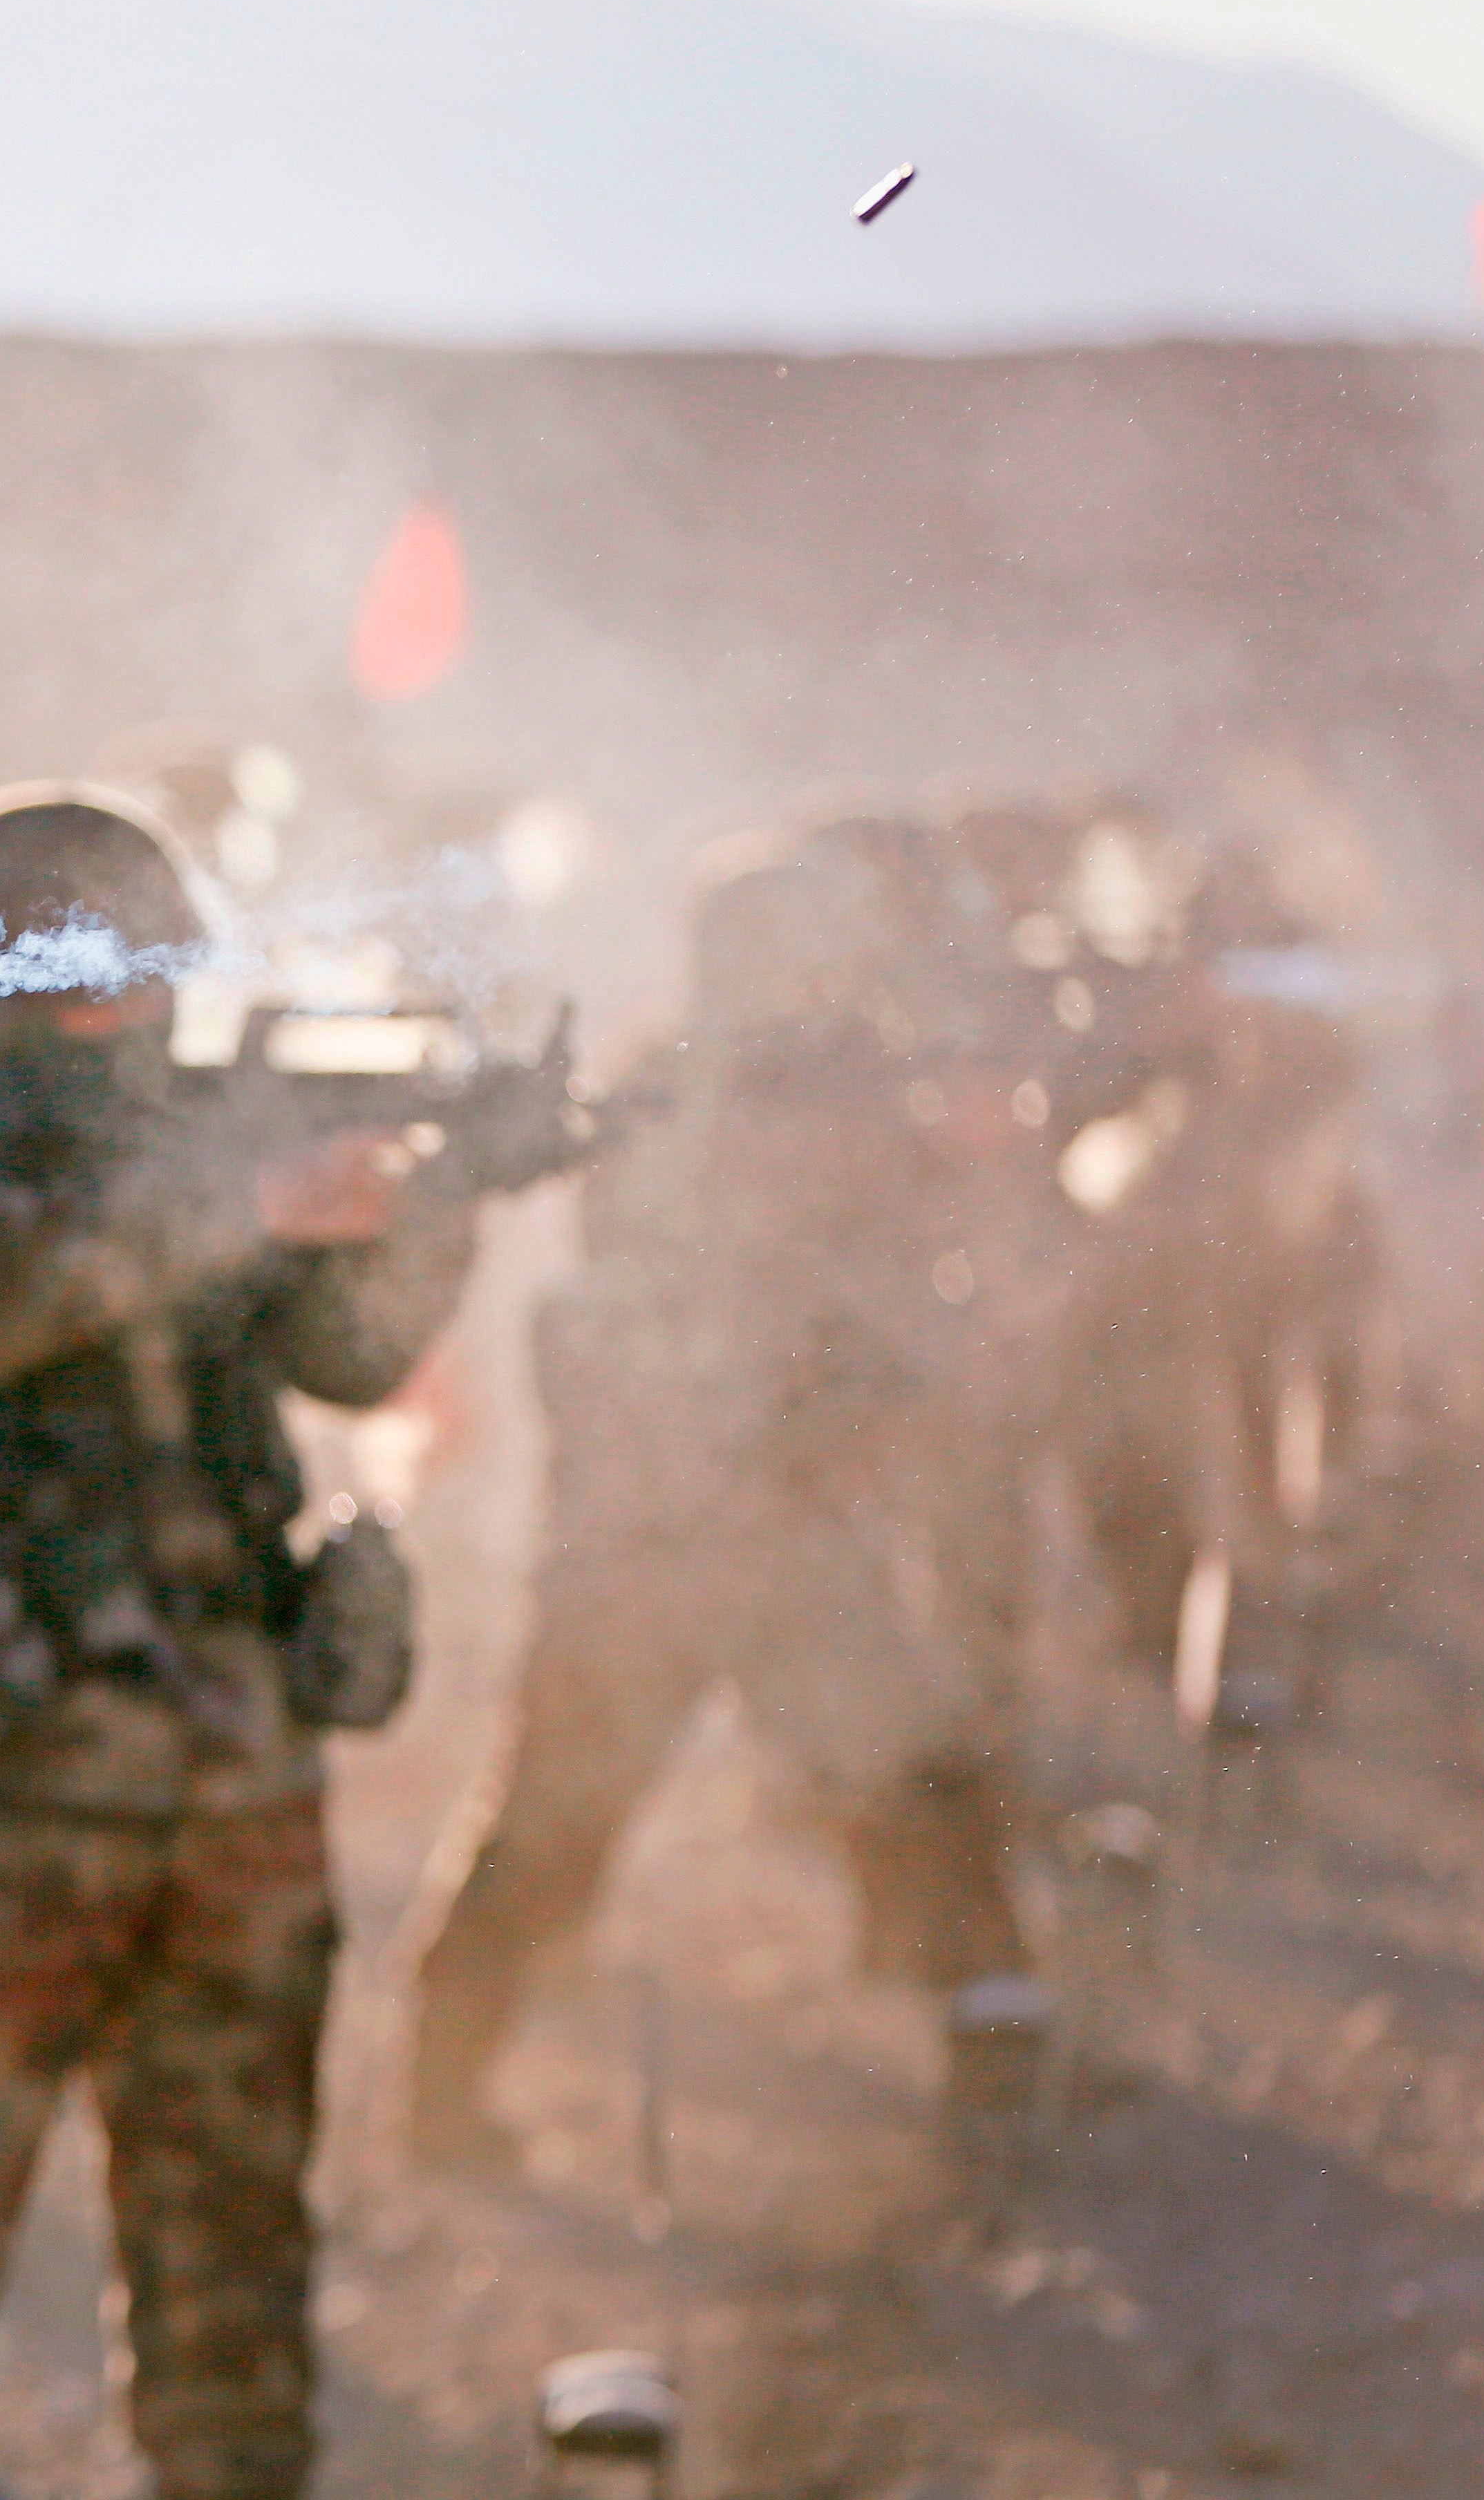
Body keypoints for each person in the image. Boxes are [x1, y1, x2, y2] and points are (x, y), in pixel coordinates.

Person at [0, 788, 477, 2500]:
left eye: (155, 978)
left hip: (241, 1778)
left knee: (232, 2234)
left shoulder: (207, 1145)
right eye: (103, 981)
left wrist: (434, 1204)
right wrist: (253, 1201)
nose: (141, 1018)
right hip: (1, 1777)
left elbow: (353, 1363)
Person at [393, 814, 1063, 2174]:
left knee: (915, 1789)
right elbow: (732, 1283)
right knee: (561, 1821)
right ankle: (440, 2087)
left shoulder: (793, 1083)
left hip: (760, 1535)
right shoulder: (699, 1091)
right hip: (687, 1538)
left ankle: (999, 2053)